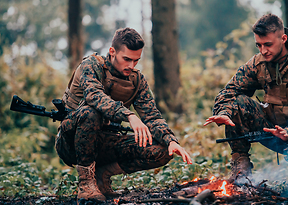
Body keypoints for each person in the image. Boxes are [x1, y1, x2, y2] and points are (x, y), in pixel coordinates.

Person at [55, 28, 192, 202]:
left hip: (105, 141)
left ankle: (102, 175)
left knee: (163, 150)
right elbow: (94, 96)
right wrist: (129, 115)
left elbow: (152, 117)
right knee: (90, 113)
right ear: (112, 52)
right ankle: (86, 184)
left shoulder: (137, 81)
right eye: (126, 59)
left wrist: (170, 140)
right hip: (71, 142)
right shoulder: (91, 65)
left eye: (136, 61)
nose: (131, 66)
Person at [204, 14, 288, 192]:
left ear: (283, 38)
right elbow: (229, 91)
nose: (263, 51)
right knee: (238, 102)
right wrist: (225, 112)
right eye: (259, 45)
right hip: (271, 131)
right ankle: (241, 169)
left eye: (268, 45)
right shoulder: (259, 63)